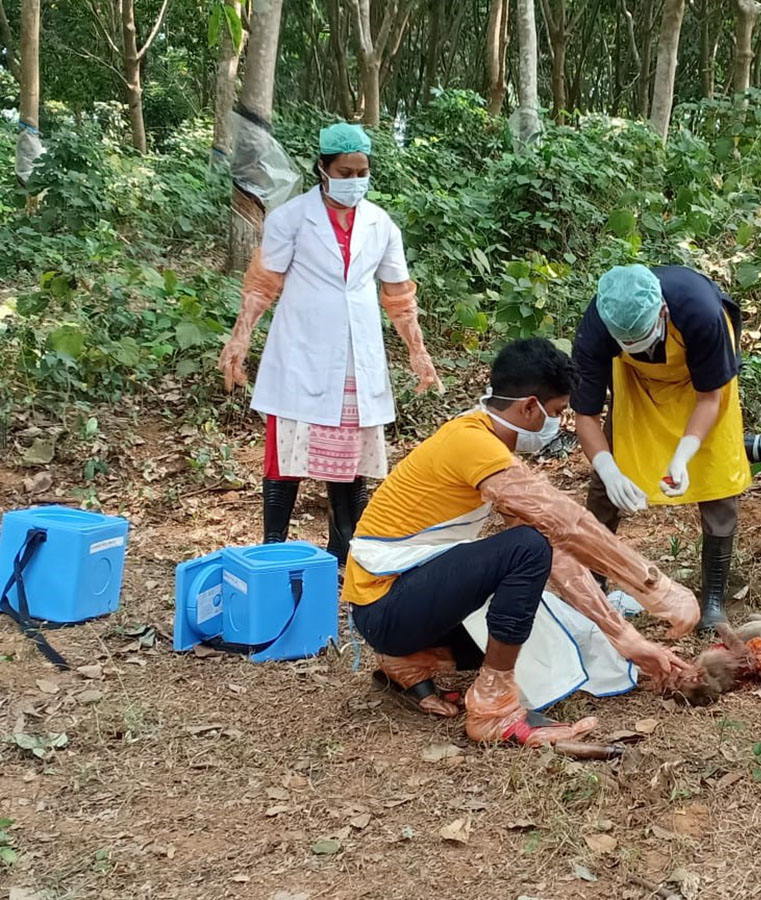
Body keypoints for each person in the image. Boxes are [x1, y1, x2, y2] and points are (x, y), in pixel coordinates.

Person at [344, 338, 697, 747]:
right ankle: (493, 710)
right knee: (525, 548)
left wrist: (624, 636)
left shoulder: (483, 440)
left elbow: (558, 552)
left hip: (397, 603)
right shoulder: (473, 443)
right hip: (385, 606)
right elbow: (564, 522)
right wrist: (656, 587)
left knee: (536, 622)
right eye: (558, 412)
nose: (557, 423)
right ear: (530, 406)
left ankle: (409, 661)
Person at [218, 123, 441, 564]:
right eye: (345, 171)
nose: (354, 180)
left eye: (362, 171)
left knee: (349, 453)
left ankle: (343, 551)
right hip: (301, 348)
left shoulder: (381, 224)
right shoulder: (291, 218)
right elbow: (264, 283)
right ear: (323, 168)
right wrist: (239, 339)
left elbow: (398, 294)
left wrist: (419, 352)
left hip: (357, 353)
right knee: (286, 448)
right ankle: (273, 549)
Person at [571, 264, 751, 631]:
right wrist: (609, 469)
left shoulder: (701, 312)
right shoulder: (596, 328)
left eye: (648, 338)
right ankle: (593, 587)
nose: (647, 348)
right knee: (605, 486)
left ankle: (713, 600)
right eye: (632, 344)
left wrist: (684, 455)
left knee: (716, 476)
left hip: (701, 387)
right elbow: (585, 414)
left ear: (663, 313)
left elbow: (708, 399)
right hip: (639, 385)